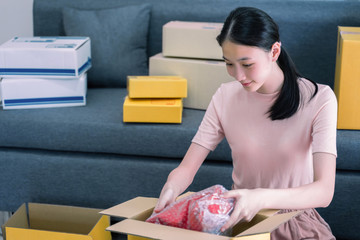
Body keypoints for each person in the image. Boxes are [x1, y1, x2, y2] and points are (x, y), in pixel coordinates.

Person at [154, 6, 337, 240]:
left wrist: (260, 197)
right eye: (229, 64)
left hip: (294, 222)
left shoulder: (319, 98)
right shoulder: (224, 96)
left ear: (274, 51)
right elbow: (186, 169)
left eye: (247, 64)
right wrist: (172, 188)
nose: (238, 76)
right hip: (240, 220)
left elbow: (324, 191)